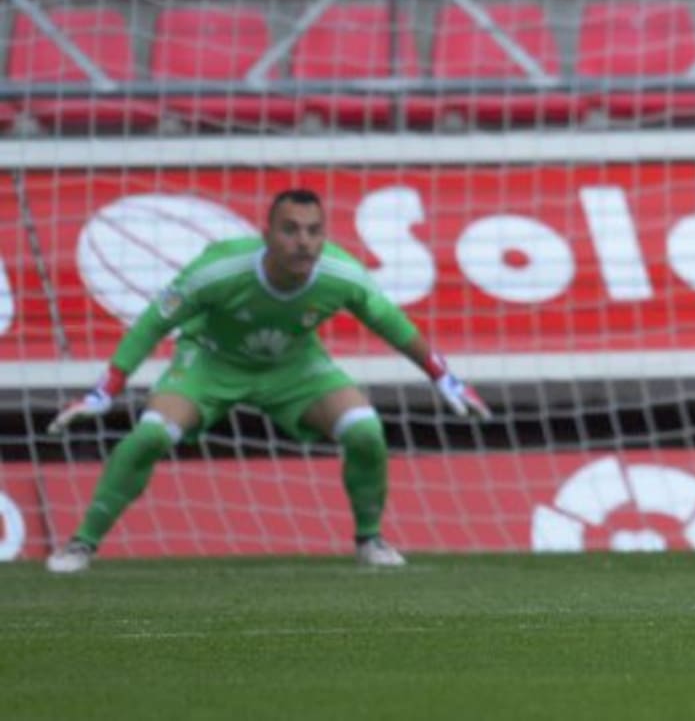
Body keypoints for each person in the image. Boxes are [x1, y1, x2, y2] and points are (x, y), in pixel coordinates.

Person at [45, 188, 491, 573]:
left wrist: (444, 379)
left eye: (313, 231)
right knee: (151, 435)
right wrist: (106, 390)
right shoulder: (220, 269)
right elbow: (152, 323)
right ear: (267, 234)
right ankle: (82, 543)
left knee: (365, 430)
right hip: (210, 362)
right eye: (290, 230)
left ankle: (369, 540)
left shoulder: (341, 275)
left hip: (293, 367)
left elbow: (393, 325)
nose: (303, 242)